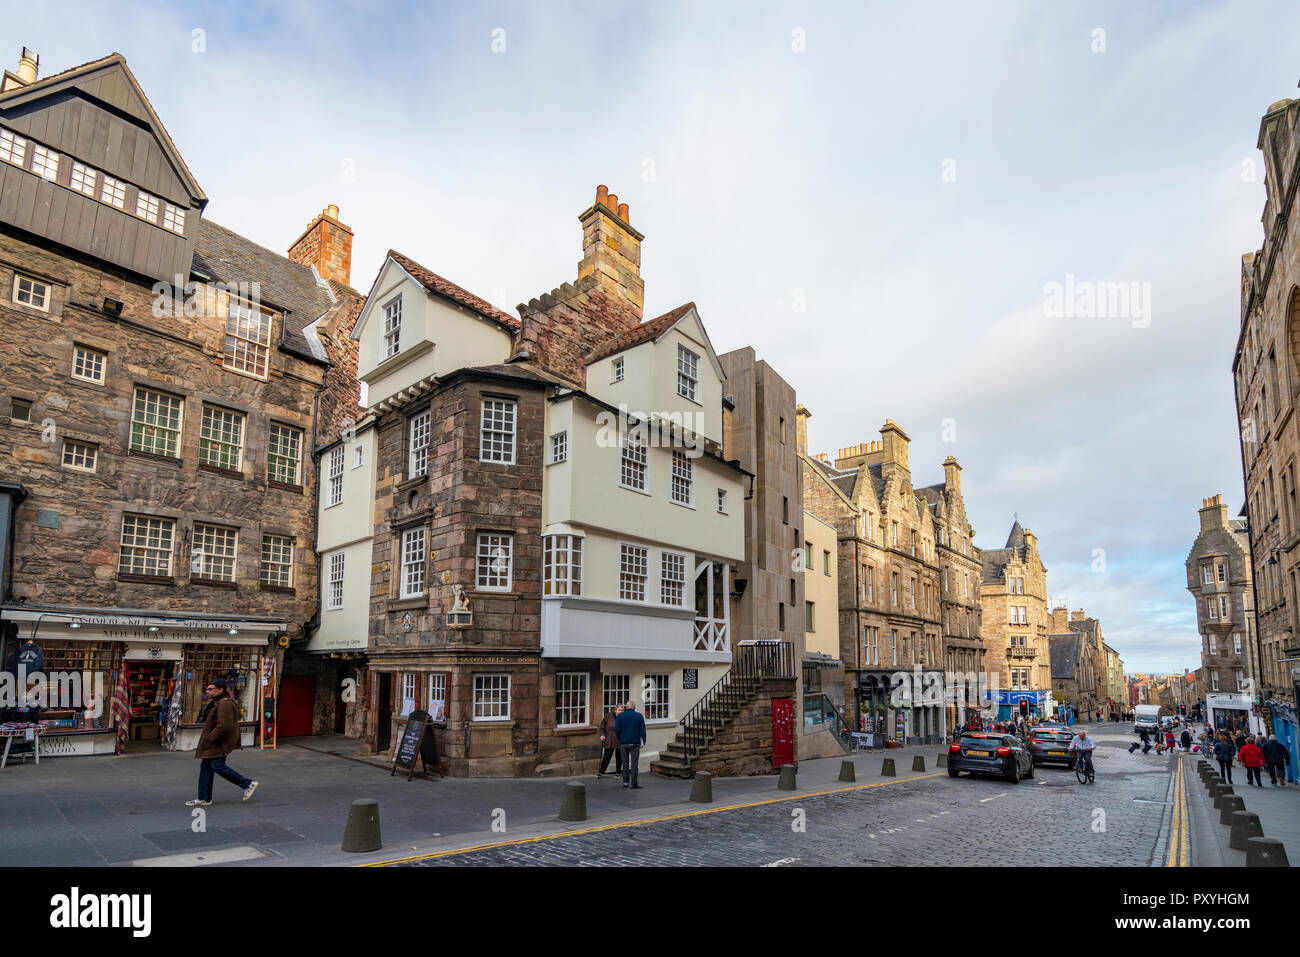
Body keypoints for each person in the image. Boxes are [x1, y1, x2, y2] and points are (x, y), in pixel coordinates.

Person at [186, 678, 258, 806]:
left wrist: (210, 738)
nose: (207, 691)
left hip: (219, 742)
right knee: (206, 767)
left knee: (217, 766)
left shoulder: (225, 704)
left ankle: (247, 784)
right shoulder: (218, 702)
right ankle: (204, 798)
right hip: (215, 742)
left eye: (210, 689)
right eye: (206, 689)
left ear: (220, 690)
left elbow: (225, 726)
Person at [614, 699, 647, 789]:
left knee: (624, 763)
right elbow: (642, 730)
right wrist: (643, 741)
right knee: (634, 763)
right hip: (635, 742)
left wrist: (620, 738)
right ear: (634, 708)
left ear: (626, 707)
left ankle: (625, 782)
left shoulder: (620, 716)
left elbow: (616, 729)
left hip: (624, 742)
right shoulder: (639, 716)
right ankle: (634, 783)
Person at [596, 704, 624, 778]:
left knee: (619, 756)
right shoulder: (608, 716)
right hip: (610, 739)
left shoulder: (624, 717)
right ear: (615, 710)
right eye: (619, 710)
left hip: (620, 739)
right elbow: (602, 727)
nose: (621, 712)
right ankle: (601, 772)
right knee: (607, 756)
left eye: (622, 710)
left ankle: (618, 772)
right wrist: (602, 735)